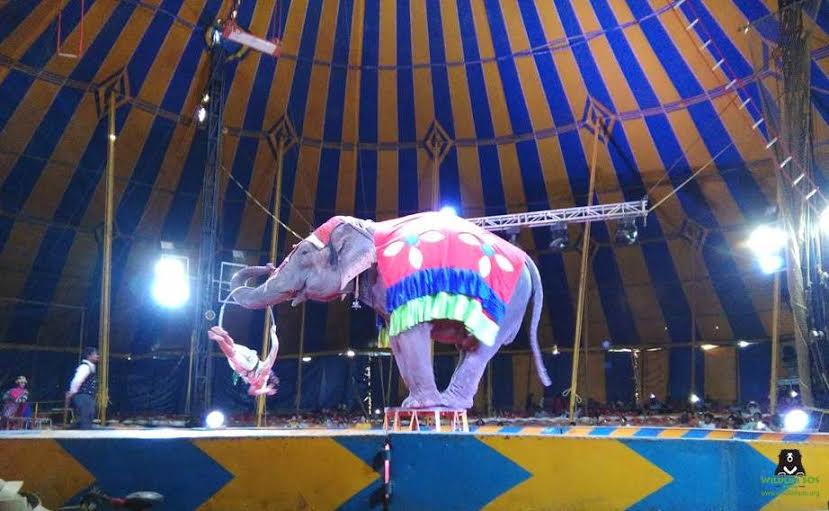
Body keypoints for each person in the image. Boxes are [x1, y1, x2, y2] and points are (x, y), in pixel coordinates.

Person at [66, 347, 99, 429]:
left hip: (87, 397)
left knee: (85, 419)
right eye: (95, 354)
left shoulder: (90, 367)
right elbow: (77, 380)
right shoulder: (85, 367)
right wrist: (72, 392)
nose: (97, 356)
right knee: (85, 421)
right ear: (89, 356)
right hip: (84, 397)